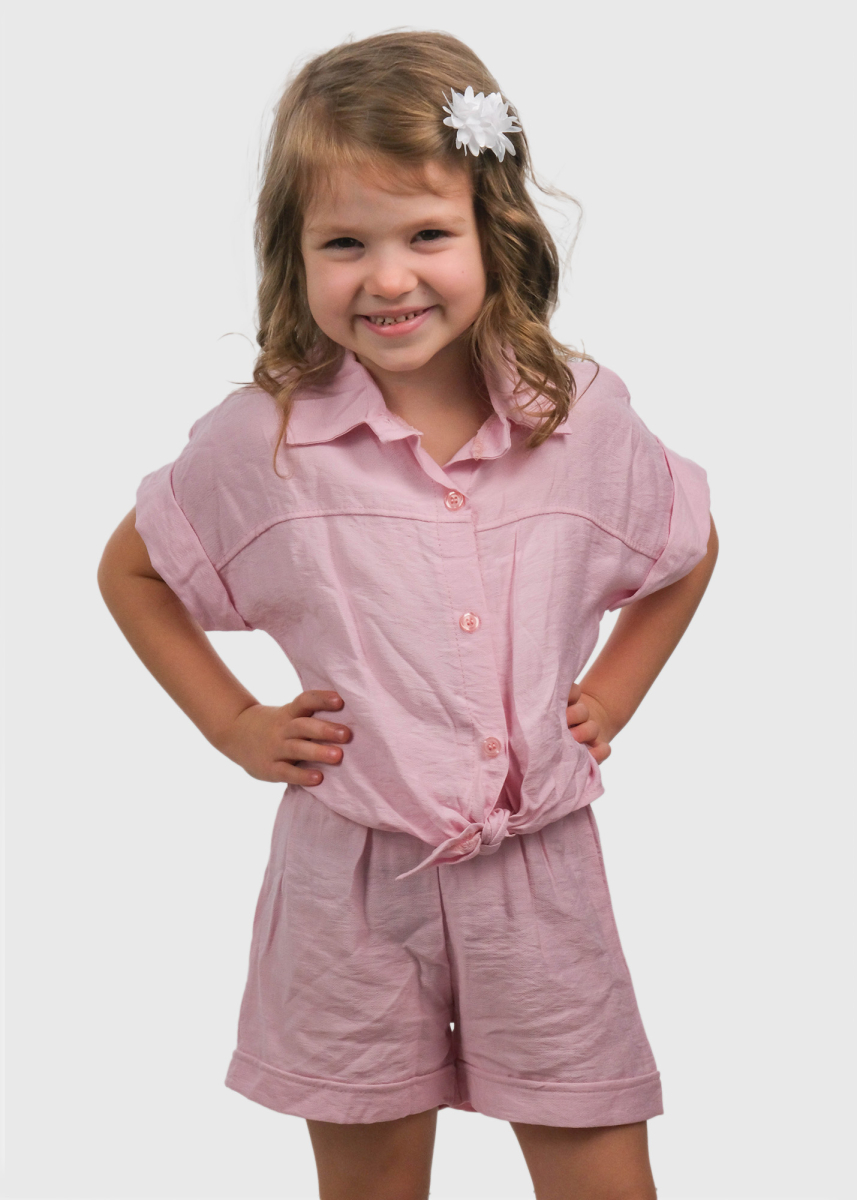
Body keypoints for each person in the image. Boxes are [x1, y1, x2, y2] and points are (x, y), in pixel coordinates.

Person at [98, 28, 718, 1200]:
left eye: (426, 234)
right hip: (348, 880)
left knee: (599, 1166)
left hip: (539, 871)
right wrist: (233, 725)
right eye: (345, 243)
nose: (387, 279)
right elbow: (133, 571)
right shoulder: (262, 440)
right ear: (293, 254)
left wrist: (614, 691)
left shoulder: (577, 415)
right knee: (371, 1181)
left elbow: (684, 546)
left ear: (495, 231)